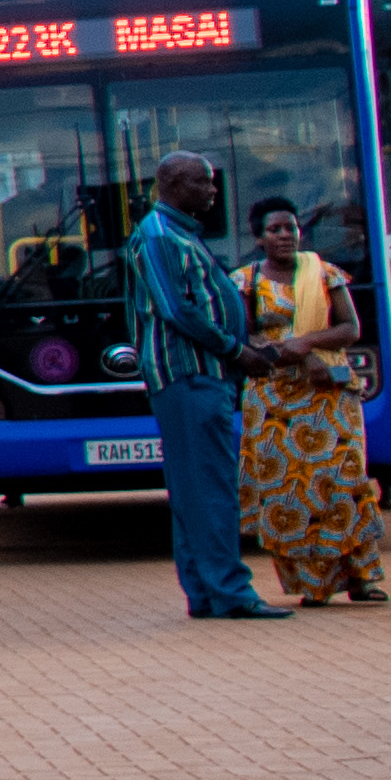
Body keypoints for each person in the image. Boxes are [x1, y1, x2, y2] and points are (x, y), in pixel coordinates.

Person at [238, 190, 391, 608]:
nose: (286, 235)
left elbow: (349, 329)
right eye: (275, 229)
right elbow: (243, 334)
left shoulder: (324, 274)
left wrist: (305, 344)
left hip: (327, 398)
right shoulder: (246, 281)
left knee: (342, 485)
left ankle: (363, 580)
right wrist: (282, 351)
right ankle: (313, 586)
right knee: (288, 493)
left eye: (291, 227)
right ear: (259, 237)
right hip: (275, 403)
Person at [129, 149, 263, 618]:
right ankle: (231, 592)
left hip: (201, 377)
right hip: (190, 375)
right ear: (175, 184)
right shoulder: (161, 236)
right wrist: (235, 349)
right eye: (204, 182)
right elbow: (178, 309)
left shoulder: (178, 233)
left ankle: (206, 593)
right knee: (210, 488)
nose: (212, 190)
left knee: (192, 491)